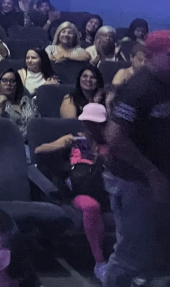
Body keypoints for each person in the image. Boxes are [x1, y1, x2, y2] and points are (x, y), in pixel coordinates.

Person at [102, 31, 170, 287]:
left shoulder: (167, 82)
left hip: (158, 177)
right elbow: (115, 137)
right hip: (130, 178)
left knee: (154, 249)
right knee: (130, 250)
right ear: (151, 56)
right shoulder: (137, 88)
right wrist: (151, 173)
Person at [34, 102, 110, 279]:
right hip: (81, 190)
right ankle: (100, 262)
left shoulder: (112, 144)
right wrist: (61, 144)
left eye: (96, 124)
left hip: (108, 190)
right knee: (91, 207)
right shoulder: (75, 141)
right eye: (89, 123)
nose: (92, 127)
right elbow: (39, 151)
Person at [0, 69, 38, 138]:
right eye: (4, 81)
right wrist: (0, 110)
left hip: (33, 139)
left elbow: (38, 121)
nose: (8, 84)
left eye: (12, 81)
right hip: (9, 141)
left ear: (17, 84)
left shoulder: (27, 101)